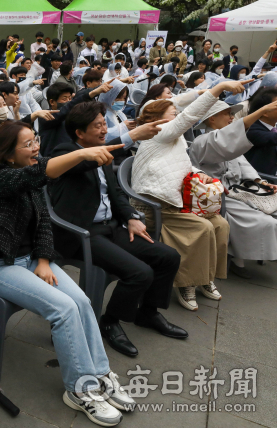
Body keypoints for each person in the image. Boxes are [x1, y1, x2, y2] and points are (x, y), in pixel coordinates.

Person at [0, 119, 134, 426]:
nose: (36, 147)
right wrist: (83, 154)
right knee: (63, 310)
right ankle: (80, 389)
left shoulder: (31, 179)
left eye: (36, 140)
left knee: (83, 302)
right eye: (28, 144)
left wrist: (44, 260)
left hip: (32, 260)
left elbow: (44, 222)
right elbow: (40, 171)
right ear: (8, 155)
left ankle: (101, 374)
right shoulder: (0, 179)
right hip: (0, 265)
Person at [49, 101, 184, 357]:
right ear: (79, 132)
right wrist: (132, 136)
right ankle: (110, 321)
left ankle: (147, 312)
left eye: (104, 123)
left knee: (168, 257)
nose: (103, 129)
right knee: (140, 273)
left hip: (110, 227)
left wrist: (131, 216)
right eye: (97, 125)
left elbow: (115, 193)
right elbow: (83, 163)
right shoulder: (66, 152)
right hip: (82, 234)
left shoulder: (100, 152)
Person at [132, 81, 248, 311]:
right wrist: (218, 89)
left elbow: (184, 165)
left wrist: (201, 175)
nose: (178, 118)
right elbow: (189, 117)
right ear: (157, 118)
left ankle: (205, 277)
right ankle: (187, 283)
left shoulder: (174, 138)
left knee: (220, 225)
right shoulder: (158, 133)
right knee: (202, 228)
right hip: (154, 206)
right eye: (173, 115)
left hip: (178, 202)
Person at [190, 99, 277, 277]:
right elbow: (226, 143)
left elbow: (242, 164)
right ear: (212, 119)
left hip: (237, 190)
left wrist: (260, 182)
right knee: (264, 222)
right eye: (227, 114)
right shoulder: (203, 141)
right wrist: (260, 113)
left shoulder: (222, 140)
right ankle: (238, 258)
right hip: (218, 195)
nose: (231, 118)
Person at [244, 88, 277, 175]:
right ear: (264, 112)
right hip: (260, 181)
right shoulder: (251, 129)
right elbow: (272, 138)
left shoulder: (272, 128)